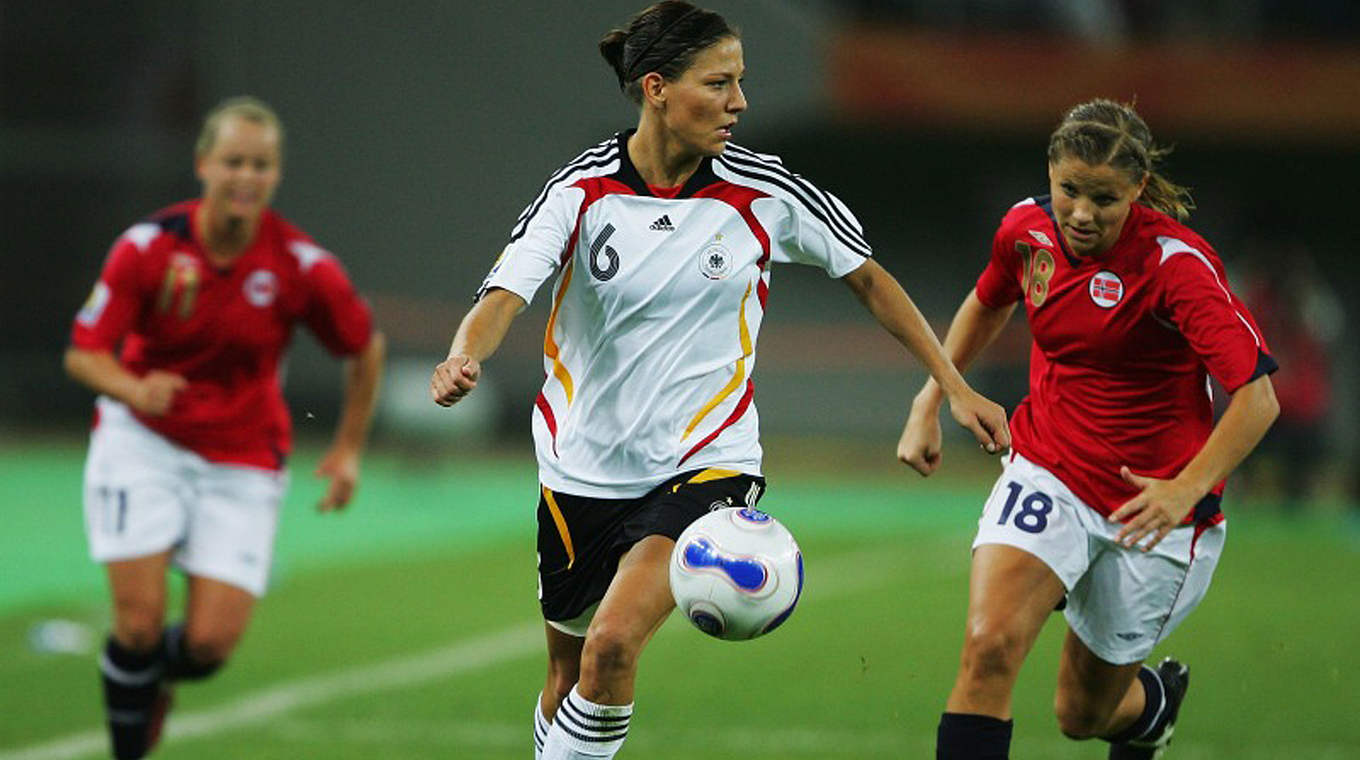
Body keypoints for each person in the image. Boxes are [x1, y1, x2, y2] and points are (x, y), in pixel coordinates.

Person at [429, 3, 1009, 759]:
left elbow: (869, 278)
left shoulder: (765, 191)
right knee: (566, 676)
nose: (739, 102)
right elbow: (506, 293)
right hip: (579, 471)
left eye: (740, 82)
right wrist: (463, 355)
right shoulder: (580, 190)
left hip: (707, 463)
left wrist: (952, 385)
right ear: (657, 88)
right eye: (719, 83)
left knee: (611, 646)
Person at [897, 98, 1280, 759]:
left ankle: (1152, 709)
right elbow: (989, 300)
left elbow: (1258, 397)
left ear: (1137, 189)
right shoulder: (1026, 230)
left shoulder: (1176, 265)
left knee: (1082, 713)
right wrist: (932, 398)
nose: (1080, 213)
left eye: (1103, 198)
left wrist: (1185, 489)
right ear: (1050, 173)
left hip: (1151, 511)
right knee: (989, 647)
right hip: (1049, 470)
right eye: (1069, 189)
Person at [65, 96, 385, 760]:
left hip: (242, 457)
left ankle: (149, 684)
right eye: (234, 161)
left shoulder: (300, 265)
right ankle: (130, 740)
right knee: (138, 625)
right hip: (142, 441)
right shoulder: (148, 247)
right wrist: (134, 388)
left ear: (276, 174)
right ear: (203, 164)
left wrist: (348, 447)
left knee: (209, 646)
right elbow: (84, 353)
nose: (247, 176)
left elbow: (364, 347)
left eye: (261, 165)